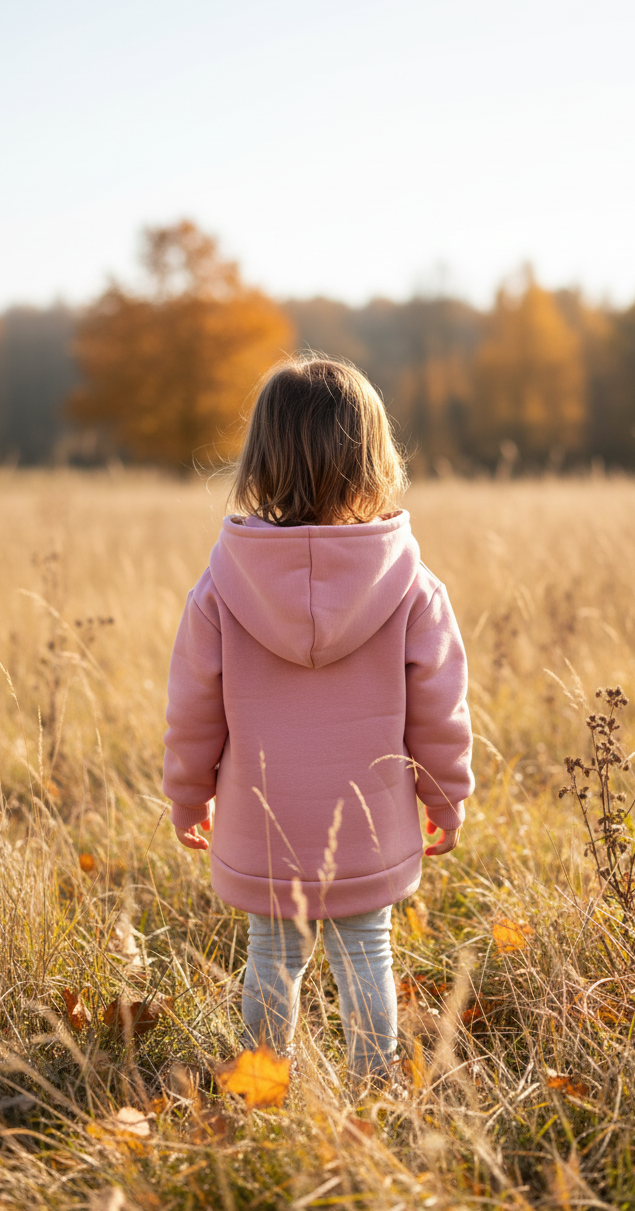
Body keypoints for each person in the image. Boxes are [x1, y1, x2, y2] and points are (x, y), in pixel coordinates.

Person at [163, 354, 473, 1087]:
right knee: (367, 952)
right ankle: (370, 1090)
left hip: (265, 820)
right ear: (374, 458)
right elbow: (442, 715)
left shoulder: (221, 587)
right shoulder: (412, 587)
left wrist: (186, 795)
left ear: (261, 461)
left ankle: (264, 1088)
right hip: (367, 819)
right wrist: (446, 800)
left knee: (272, 954)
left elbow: (191, 713)